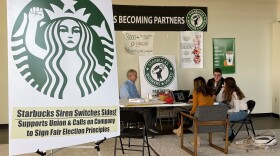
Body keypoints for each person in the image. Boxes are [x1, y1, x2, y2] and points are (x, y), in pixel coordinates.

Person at [24, 7, 107, 99]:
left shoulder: (88, 58)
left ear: (83, 35)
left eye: (75, 31)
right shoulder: (52, 55)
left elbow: (103, 71)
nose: (70, 35)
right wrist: (33, 22)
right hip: (54, 102)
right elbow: (31, 45)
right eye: (63, 30)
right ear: (55, 34)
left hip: (88, 103)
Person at [120, 69, 159, 134]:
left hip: (136, 105)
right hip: (130, 107)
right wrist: (138, 101)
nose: (137, 77)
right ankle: (148, 130)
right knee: (147, 110)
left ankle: (151, 126)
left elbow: (138, 97)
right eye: (135, 75)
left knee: (153, 107)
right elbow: (126, 100)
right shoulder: (125, 85)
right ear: (130, 76)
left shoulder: (132, 85)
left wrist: (144, 100)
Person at [223, 77, 248, 141]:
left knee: (224, 118)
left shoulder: (234, 93)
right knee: (223, 116)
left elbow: (237, 109)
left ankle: (230, 135)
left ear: (228, 85)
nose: (223, 85)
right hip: (240, 111)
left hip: (242, 113)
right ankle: (229, 133)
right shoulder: (232, 92)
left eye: (224, 84)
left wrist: (228, 111)